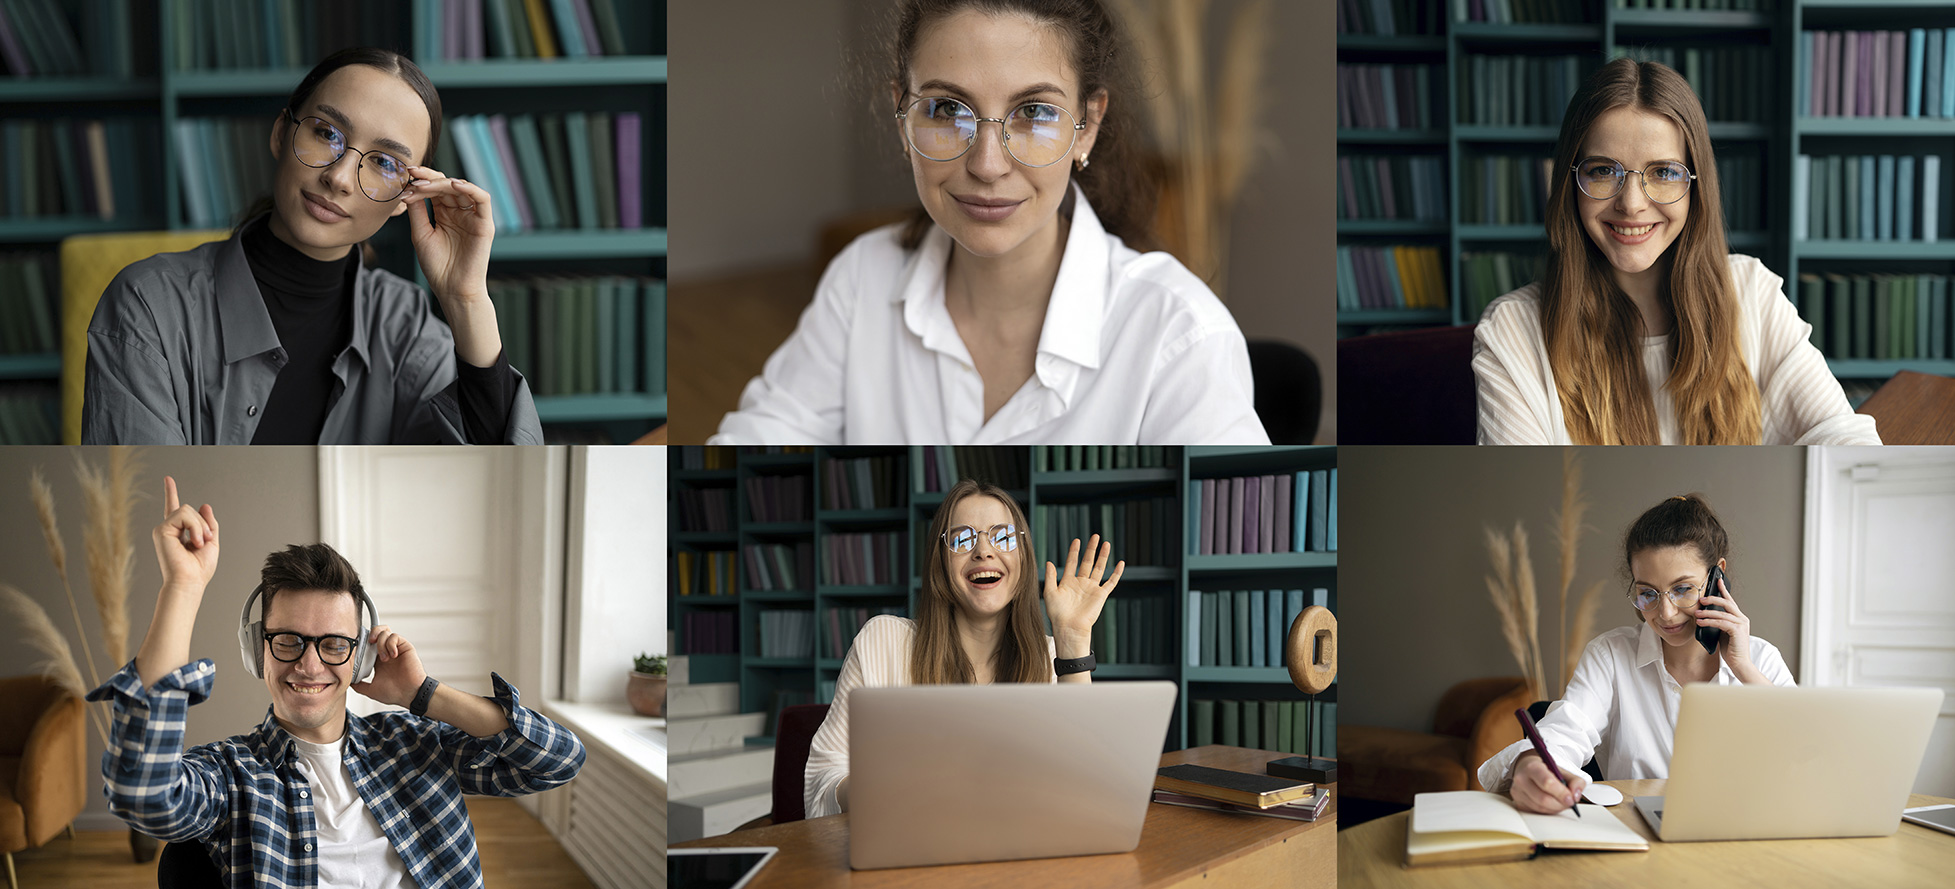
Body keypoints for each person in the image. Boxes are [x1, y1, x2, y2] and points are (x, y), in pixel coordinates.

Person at [711, 0, 1268, 444]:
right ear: (902, 117)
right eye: (948, 111)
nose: (987, 164)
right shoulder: (862, 280)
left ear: (1087, 128)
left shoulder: (1180, 336)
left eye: (1035, 114)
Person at [86, 476, 583, 887]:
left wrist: (422, 694)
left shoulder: (414, 745)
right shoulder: (231, 777)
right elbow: (141, 794)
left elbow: (558, 760)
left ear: (360, 654)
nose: (308, 664)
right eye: (288, 641)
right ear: (257, 648)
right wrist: (183, 586)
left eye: (333, 644)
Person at [85, 47, 542, 444]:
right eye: (326, 133)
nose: (339, 178)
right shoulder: (147, 305)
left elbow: (500, 474)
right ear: (282, 133)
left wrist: (466, 301)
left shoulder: (409, 334)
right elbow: (150, 507)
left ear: (409, 198)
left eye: (384, 162)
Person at [1472, 58, 1879, 445]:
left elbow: (1840, 434)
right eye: (1602, 171)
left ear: (1695, 188)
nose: (1631, 203)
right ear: (1569, 183)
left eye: (1664, 173)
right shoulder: (1512, 331)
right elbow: (1522, 508)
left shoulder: (1753, 293)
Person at [803, 477, 1122, 817]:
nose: (984, 551)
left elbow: (1086, 791)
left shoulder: (1052, 659)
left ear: (1023, 558)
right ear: (940, 562)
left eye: (1002, 536)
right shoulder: (883, 641)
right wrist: (886, 789)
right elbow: (821, 779)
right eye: (962, 539)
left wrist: (1072, 640)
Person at [1475, 494, 1796, 814]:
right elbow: (1565, 732)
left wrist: (1743, 668)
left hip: (1740, 835)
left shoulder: (1761, 658)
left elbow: (1804, 755)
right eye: (1648, 594)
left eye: (1683, 589)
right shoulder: (1610, 656)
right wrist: (1532, 763)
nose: (1666, 613)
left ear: (1717, 577)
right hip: (1638, 840)